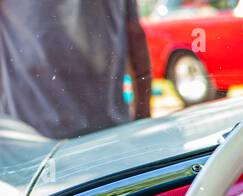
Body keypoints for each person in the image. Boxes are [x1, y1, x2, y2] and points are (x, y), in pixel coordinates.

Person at [0, 0, 152, 140]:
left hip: (34, 143)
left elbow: (135, 35)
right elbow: (135, 35)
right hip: (110, 132)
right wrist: (142, 116)